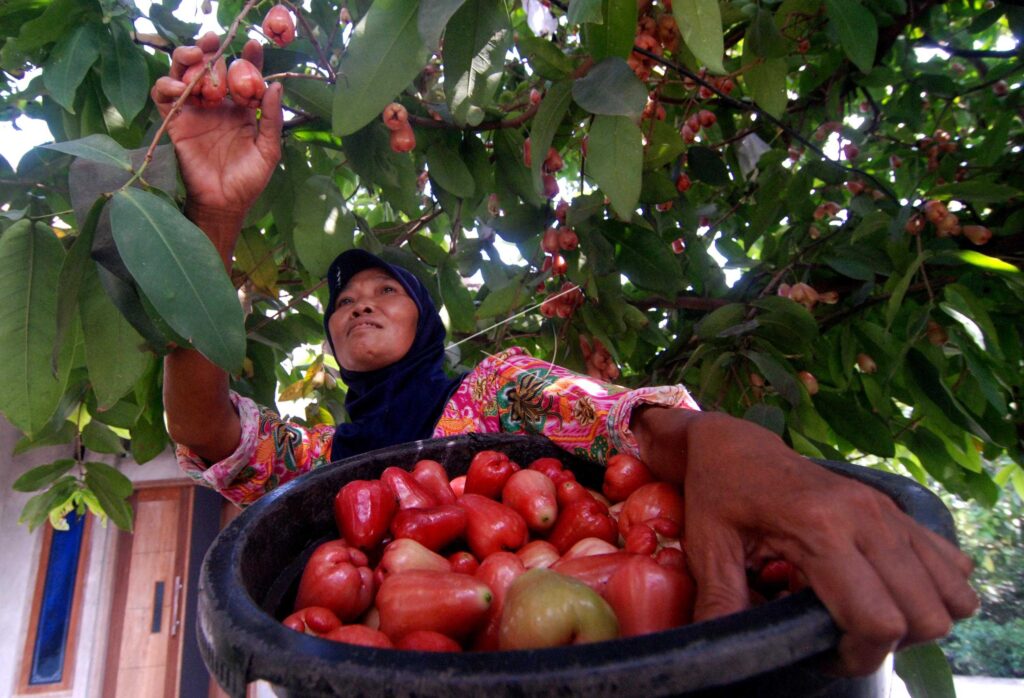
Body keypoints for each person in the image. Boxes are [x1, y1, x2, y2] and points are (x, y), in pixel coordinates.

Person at [154, 33, 978, 678]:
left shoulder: (497, 387)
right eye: (342, 302)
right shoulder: (320, 461)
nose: (359, 304)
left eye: (386, 291)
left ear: (430, 323)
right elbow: (202, 427)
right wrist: (212, 220)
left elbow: (624, 425)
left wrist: (726, 445)